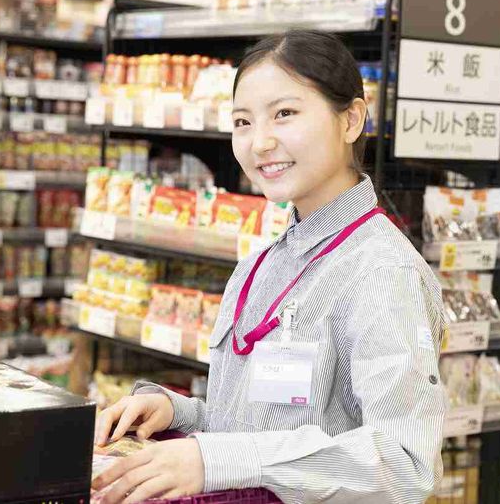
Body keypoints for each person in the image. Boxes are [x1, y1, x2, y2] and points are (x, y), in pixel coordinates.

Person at [91, 29, 446, 504]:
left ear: (351, 119)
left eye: (284, 114)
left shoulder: (381, 272)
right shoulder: (259, 266)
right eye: (243, 121)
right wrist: (176, 413)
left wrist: (216, 460)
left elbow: (405, 463)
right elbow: (255, 429)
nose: (259, 143)